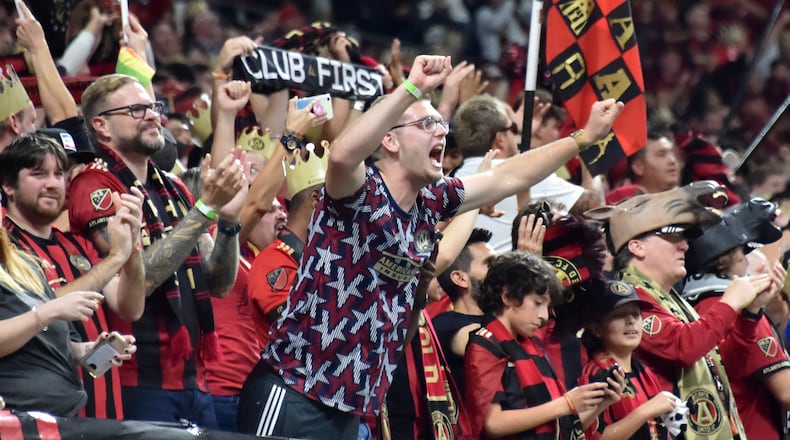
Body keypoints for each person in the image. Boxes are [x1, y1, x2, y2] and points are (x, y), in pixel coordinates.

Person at [238, 54, 623, 439]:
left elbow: (509, 175)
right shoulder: (357, 190)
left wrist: (582, 138)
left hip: (352, 409)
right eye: (426, 124)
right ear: (388, 139)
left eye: (441, 124)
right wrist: (412, 87)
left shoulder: (432, 201)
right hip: (293, 391)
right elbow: (340, 154)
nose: (441, 132)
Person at [68, 73, 245, 427]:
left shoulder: (175, 187)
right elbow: (139, 278)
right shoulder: (95, 186)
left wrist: (227, 220)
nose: (152, 116)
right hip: (134, 378)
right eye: (136, 109)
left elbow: (218, 283)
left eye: (152, 107)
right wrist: (205, 209)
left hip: (195, 378)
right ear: (102, 126)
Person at [586, 181, 774, 440]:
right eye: (672, 236)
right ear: (637, 247)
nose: (684, 246)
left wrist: (750, 314)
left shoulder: (673, 299)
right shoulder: (628, 299)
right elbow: (683, 347)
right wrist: (729, 303)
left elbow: (726, 365)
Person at [0, 133, 144, 419]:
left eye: (59, 174)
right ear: (8, 186)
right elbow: (45, 308)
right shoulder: (8, 248)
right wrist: (115, 258)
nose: (53, 184)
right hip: (32, 416)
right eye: (39, 174)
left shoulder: (77, 244)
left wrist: (132, 248)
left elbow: (131, 307)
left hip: (94, 408)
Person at [465, 251, 621, 438]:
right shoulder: (485, 342)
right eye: (538, 303)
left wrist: (601, 403)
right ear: (507, 297)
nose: (544, 316)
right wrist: (566, 404)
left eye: (546, 307)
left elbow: (561, 428)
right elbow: (493, 423)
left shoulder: (532, 345)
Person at [0, 204, 136, 416]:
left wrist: (92, 351)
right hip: (18, 414)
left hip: (63, 411)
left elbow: (58, 346)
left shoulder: (25, 265)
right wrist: (47, 312)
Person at [681, 198, 790, 439]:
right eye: (744, 251)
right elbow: (787, 392)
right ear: (733, 257)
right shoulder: (739, 308)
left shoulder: (690, 306)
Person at [579, 280, 681, 440]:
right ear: (596, 328)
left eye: (636, 314)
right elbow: (593, 437)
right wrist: (645, 411)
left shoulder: (642, 368)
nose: (631, 321)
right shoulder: (597, 374)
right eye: (619, 315)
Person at [432, 227, 496, 397]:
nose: (501, 271)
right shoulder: (445, 325)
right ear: (460, 278)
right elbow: (483, 345)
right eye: (490, 264)